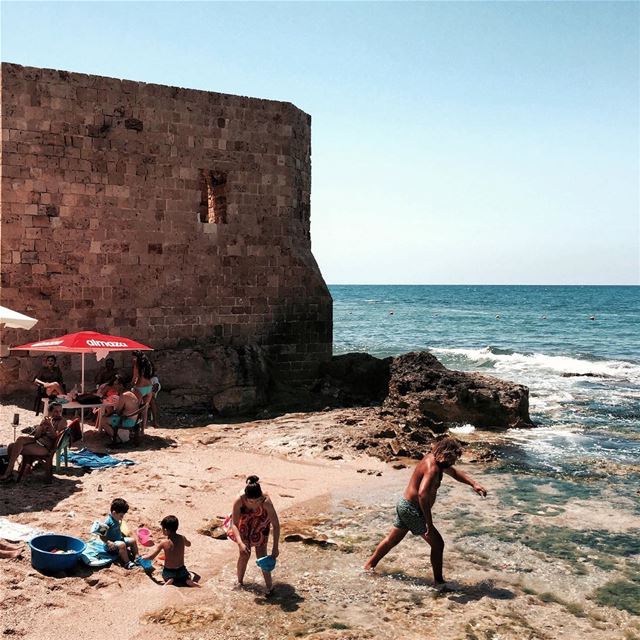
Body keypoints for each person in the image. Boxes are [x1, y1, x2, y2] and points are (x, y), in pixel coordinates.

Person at [363, 436, 487, 586]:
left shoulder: (435, 460)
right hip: (413, 509)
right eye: (453, 459)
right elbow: (422, 494)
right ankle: (439, 583)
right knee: (438, 544)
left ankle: (369, 566)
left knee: (392, 540)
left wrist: (474, 484)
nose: (454, 463)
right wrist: (429, 523)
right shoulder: (433, 468)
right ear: (445, 455)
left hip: (404, 504)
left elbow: (454, 473)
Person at [229, 475, 280, 594]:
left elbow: (276, 525)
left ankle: (269, 587)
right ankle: (240, 582)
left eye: (258, 501)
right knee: (244, 553)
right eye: (251, 501)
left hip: (261, 522)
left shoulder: (265, 501)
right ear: (246, 498)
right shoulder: (239, 500)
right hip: (244, 522)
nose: (255, 503)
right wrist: (240, 543)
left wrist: (275, 547)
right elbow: (234, 524)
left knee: (262, 556)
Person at [0, 402, 67, 481]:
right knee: (12, 444)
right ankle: (12, 470)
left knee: (15, 446)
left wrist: (49, 426)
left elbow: (55, 437)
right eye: (56, 411)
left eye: (60, 411)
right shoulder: (50, 420)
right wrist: (40, 428)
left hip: (46, 447)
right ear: (50, 412)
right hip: (38, 442)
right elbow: (37, 436)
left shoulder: (62, 421)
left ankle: (9, 472)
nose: (59, 413)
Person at [142, 515, 200, 587]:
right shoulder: (182, 538)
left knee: (165, 574)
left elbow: (151, 557)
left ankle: (170, 580)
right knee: (186, 576)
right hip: (181, 570)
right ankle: (187, 581)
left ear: (166, 530)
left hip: (169, 571)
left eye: (162, 529)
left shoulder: (164, 543)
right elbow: (189, 544)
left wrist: (143, 557)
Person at [98, 498, 138, 569]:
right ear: (114, 513)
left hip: (119, 539)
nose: (122, 518)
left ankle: (137, 556)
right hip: (111, 546)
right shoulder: (107, 522)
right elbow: (101, 535)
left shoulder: (116, 518)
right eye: (121, 515)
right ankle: (127, 563)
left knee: (133, 540)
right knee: (122, 545)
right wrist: (108, 542)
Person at [99, 376, 140, 440]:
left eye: (116, 384)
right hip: (133, 419)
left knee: (103, 420)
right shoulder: (129, 392)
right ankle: (117, 435)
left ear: (121, 385)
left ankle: (117, 438)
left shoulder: (123, 395)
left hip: (127, 420)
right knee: (108, 417)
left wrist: (109, 413)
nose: (114, 386)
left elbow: (118, 411)